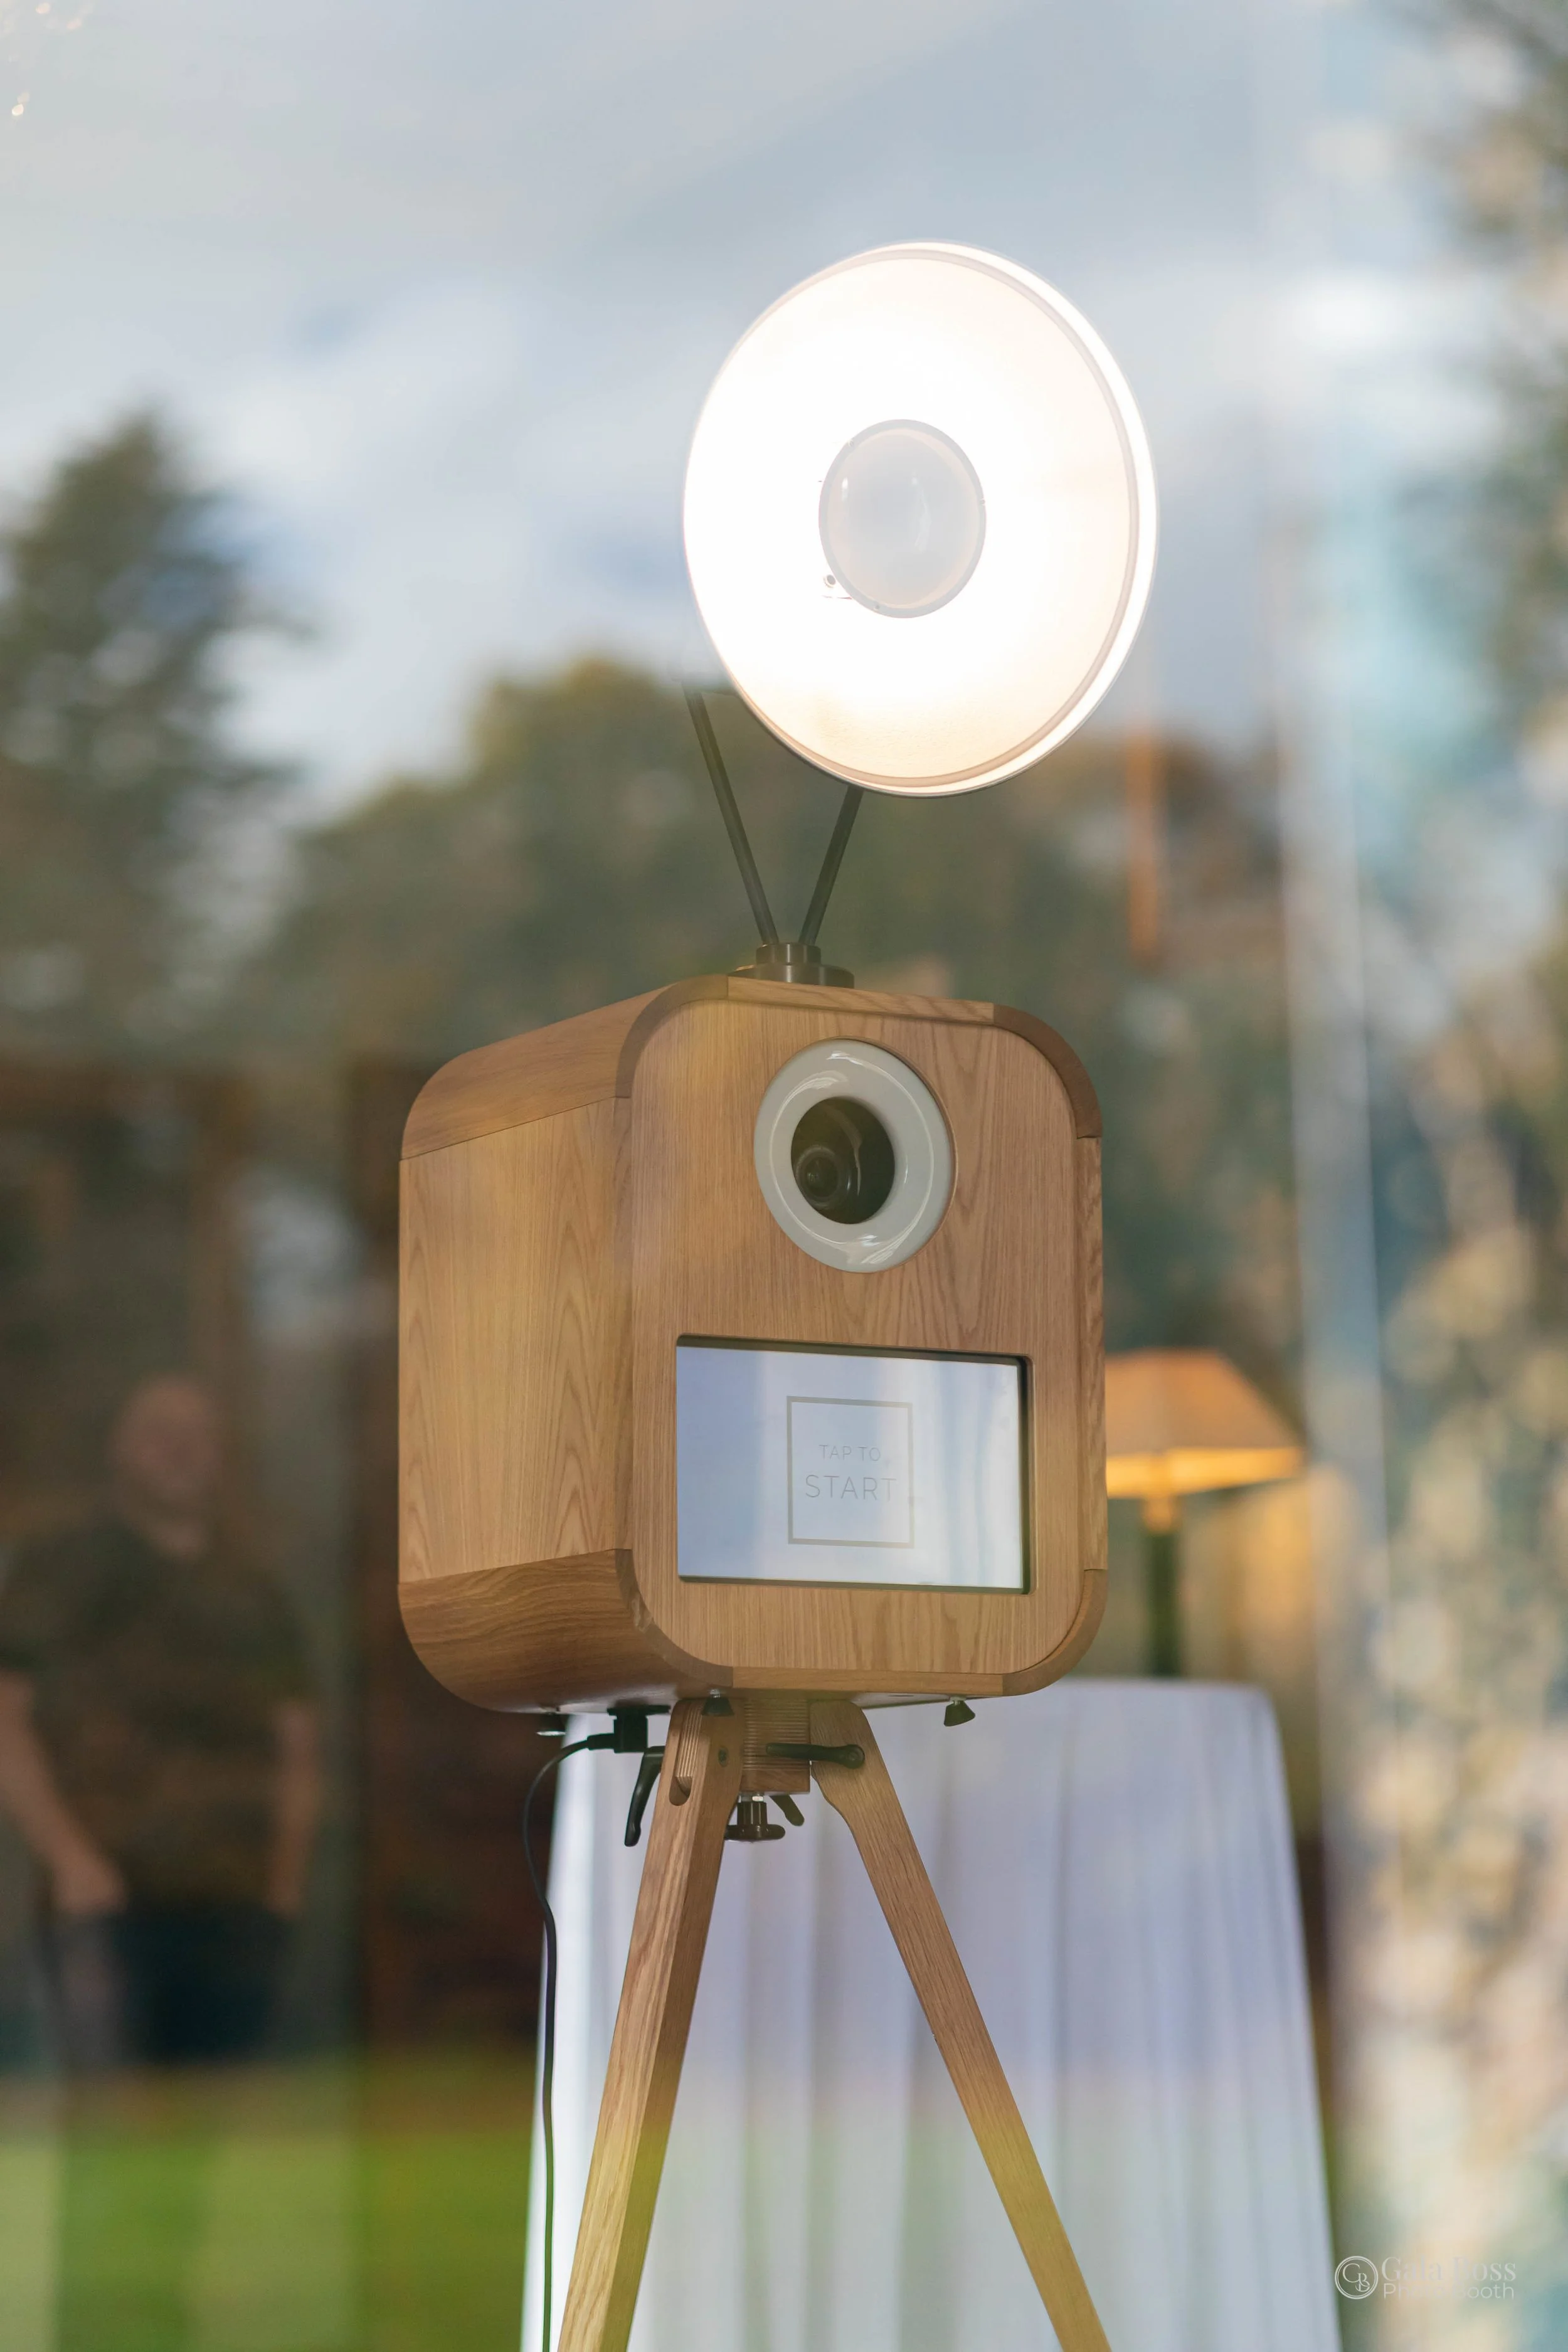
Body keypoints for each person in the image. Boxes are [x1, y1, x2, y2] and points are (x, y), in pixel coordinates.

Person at [0, 1375, 321, 2065]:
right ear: (117, 1446)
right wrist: (70, 1861)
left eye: (198, 1433)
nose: (179, 1449)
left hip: (235, 1910)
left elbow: (297, 1748)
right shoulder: (62, 1571)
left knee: (206, 2143)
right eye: (158, 1430)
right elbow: (6, 1721)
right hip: (105, 1907)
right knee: (112, 2142)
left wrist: (282, 1887)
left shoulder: (252, 1589)